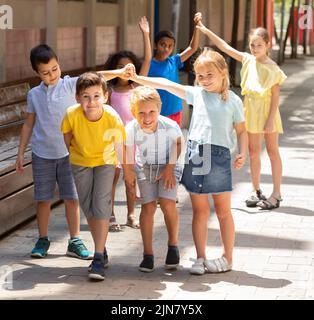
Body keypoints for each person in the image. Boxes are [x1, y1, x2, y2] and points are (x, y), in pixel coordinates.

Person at [125, 47, 248, 275]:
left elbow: (241, 130)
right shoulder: (195, 93)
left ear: (223, 72)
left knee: (223, 211)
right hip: (196, 155)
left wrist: (243, 151)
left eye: (209, 75)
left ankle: (227, 257)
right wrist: (136, 78)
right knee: (200, 211)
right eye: (200, 76)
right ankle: (200, 258)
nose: (204, 80)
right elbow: (163, 83)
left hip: (219, 157)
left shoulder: (233, 100)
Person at [15, 44, 128, 259]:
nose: (51, 75)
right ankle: (43, 239)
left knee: (72, 198)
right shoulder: (34, 95)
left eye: (55, 69)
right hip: (42, 153)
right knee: (43, 198)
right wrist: (21, 152)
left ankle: (75, 240)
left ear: (59, 65)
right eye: (45, 72)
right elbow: (29, 124)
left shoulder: (69, 85)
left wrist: (119, 73)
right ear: (37, 73)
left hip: (70, 154)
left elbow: (95, 77)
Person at [196, 22, 287, 210]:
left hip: (267, 111)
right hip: (250, 110)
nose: (254, 49)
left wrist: (270, 120)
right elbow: (224, 47)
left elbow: (276, 97)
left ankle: (276, 193)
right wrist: (205, 29)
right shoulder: (247, 59)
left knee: (272, 151)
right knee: (253, 153)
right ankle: (256, 190)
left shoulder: (273, 68)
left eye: (259, 45)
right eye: (252, 45)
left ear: (268, 45)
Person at [61, 72, 128, 280]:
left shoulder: (112, 117)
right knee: (88, 206)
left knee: (101, 204)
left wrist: (129, 171)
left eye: (96, 96)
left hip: (105, 162)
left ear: (105, 96)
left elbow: (120, 145)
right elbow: (68, 137)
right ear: (78, 98)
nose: (92, 102)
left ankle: (97, 257)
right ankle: (102, 247)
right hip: (80, 162)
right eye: (86, 96)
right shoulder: (72, 114)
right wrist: (74, 158)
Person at [124, 86, 183, 273]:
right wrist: (129, 175)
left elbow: (178, 144)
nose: (147, 117)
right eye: (141, 113)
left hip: (170, 163)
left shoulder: (169, 125)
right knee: (148, 206)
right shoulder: (131, 128)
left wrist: (169, 169)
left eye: (152, 112)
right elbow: (126, 151)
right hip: (146, 166)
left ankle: (173, 245)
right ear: (133, 112)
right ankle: (148, 254)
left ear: (159, 109)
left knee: (167, 203)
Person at [103, 16, 151, 232]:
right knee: (111, 181)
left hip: (132, 142)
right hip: (112, 143)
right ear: (114, 69)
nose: (124, 70)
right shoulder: (109, 91)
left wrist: (146, 35)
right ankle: (111, 215)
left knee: (131, 180)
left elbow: (148, 60)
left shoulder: (136, 88)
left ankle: (132, 214)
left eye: (128, 67)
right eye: (120, 67)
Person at [147, 12, 202, 127]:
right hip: (157, 113)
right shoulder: (148, 65)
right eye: (163, 44)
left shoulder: (174, 61)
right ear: (156, 45)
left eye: (170, 46)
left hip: (176, 109)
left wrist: (197, 26)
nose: (166, 48)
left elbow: (193, 48)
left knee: (173, 141)